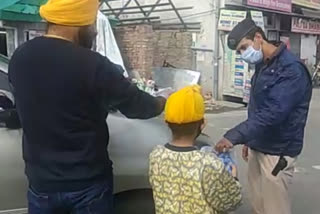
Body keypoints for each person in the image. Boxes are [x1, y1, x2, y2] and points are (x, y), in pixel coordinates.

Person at [8, 0, 167, 213]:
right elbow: (139, 106)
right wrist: (165, 100)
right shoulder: (94, 64)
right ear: (77, 24)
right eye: (92, 25)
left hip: (41, 184)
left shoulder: (20, 57)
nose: (95, 33)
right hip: (87, 185)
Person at [215, 18, 312, 214]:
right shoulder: (262, 65)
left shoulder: (291, 69)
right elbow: (258, 108)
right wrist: (250, 141)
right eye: (239, 52)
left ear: (258, 37)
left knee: (275, 209)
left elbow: (273, 113)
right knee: (258, 206)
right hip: (258, 147)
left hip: (277, 152)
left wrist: (234, 136)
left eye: (244, 48)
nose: (243, 55)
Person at [149, 85, 242, 214]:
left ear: (166, 123)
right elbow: (231, 201)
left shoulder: (156, 156)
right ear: (202, 124)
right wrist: (234, 179)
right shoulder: (208, 164)